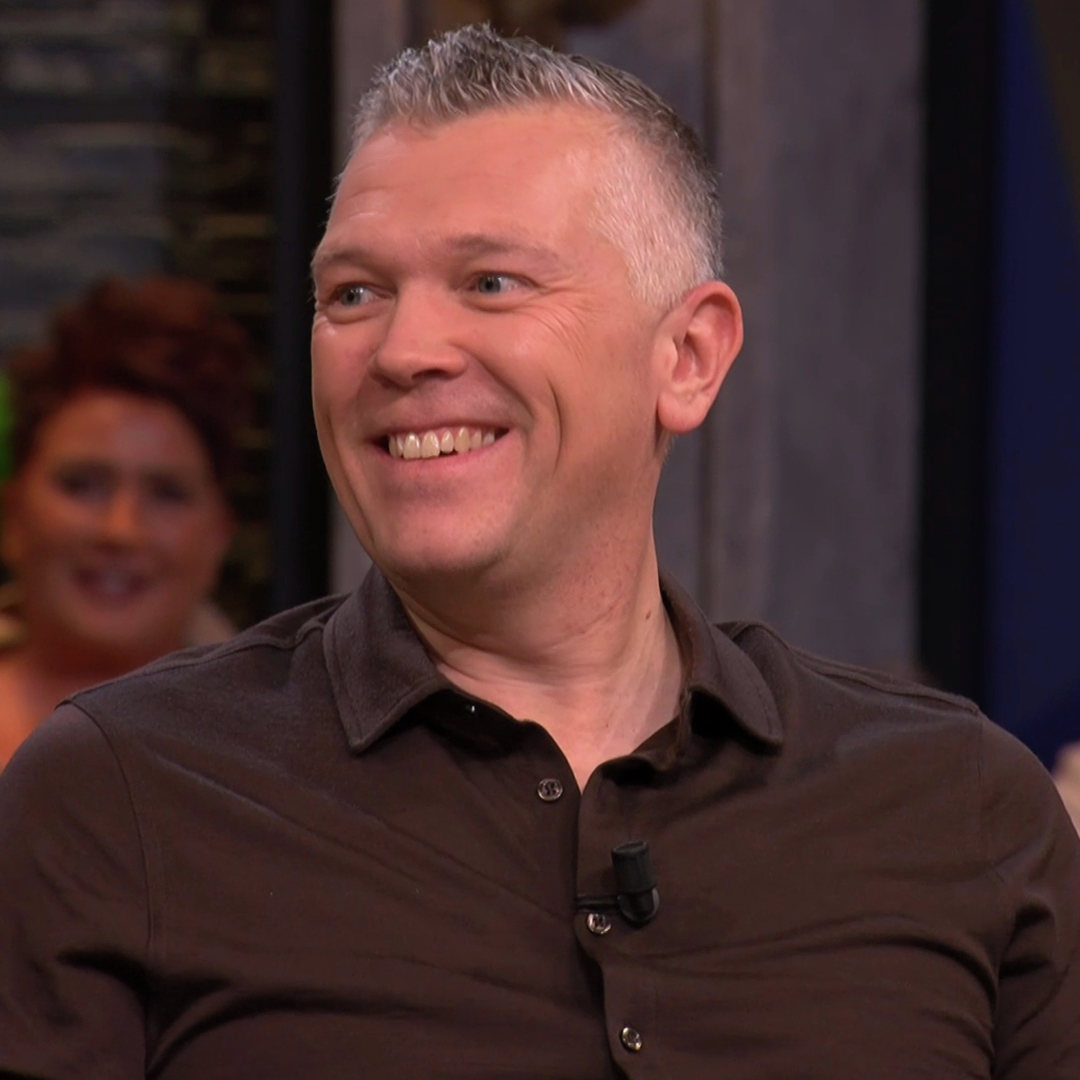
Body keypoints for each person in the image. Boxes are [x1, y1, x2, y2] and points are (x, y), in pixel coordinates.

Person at [0, 25, 1077, 1079]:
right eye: (354, 294)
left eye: (492, 283)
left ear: (688, 356)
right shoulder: (119, 798)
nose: (404, 352)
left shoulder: (961, 805)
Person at [0, 276, 250, 769]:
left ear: (219, 535)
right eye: (83, 484)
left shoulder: (284, 761)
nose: (121, 530)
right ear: (13, 514)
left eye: (167, 493)